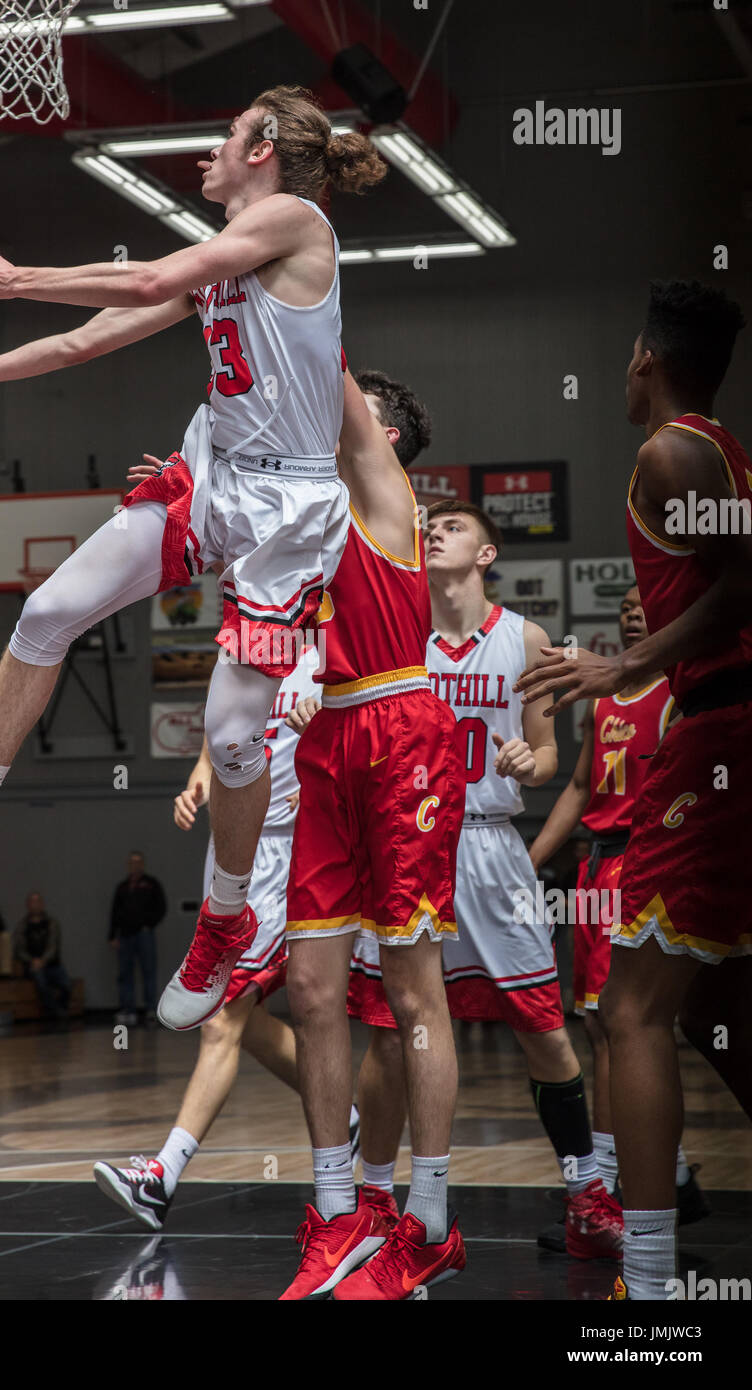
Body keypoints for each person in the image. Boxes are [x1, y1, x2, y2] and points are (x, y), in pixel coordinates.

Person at [0, 86, 386, 1034]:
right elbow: (90, 337)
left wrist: (11, 279)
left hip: (289, 511)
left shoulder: (297, 222)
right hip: (214, 474)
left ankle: (224, 918)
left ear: (262, 148)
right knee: (49, 610)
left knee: (227, 734)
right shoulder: (220, 264)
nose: (206, 153)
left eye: (222, 132)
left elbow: (137, 284)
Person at [516, 279, 752, 1300]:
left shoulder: (675, 450)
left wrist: (628, 664)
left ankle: (649, 1286)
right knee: (719, 1005)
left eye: (625, 354)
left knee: (632, 1009)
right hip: (723, 726)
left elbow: (749, 580)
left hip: (726, 725)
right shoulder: (709, 452)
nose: (620, 369)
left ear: (647, 359)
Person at [338, 498, 622, 1261]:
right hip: (410, 845)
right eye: (430, 527)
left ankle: (587, 1195)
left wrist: (534, 762)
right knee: (393, 1036)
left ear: (487, 555)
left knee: (543, 1030)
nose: (433, 533)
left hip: (492, 849)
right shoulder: (400, 638)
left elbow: (551, 756)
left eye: (452, 528)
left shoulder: (524, 640)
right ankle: (372, 1201)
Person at [94, 645, 403, 1231]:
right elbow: (219, 740)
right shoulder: (244, 652)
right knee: (227, 1012)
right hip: (242, 855)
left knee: (237, 1019)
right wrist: (197, 785)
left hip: (310, 847)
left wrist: (326, 779)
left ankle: (161, 1176)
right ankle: (348, 1117)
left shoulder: (339, 649)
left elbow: (374, 743)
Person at [280, 367, 466, 1302]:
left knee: (410, 990)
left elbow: (321, 357)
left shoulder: (386, 491)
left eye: (358, 418)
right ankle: (337, 1213)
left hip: (400, 735)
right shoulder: (311, 514)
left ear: (386, 437)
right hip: (326, 745)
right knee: (310, 987)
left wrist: (283, 237)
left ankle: (427, 1222)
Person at [529, 584, 708, 1233]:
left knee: (616, 1024)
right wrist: (530, 861)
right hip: (594, 866)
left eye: (644, 597)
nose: (633, 606)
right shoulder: (604, 695)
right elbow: (580, 785)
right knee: (598, 1024)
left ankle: (607, 1186)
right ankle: (671, 1172)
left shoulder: (680, 692)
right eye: (626, 600)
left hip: (643, 862)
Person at [109, 853, 166, 1025]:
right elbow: (114, 912)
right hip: (125, 935)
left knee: (148, 971)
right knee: (125, 973)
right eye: (132, 863)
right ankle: (128, 1009)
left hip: (144, 934)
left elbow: (161, 907)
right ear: (128, 865)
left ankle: (150, 1009)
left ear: (143, 864)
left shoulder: (151, 884)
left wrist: (149, 924)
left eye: (138, 863)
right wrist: (112, 935)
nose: (135, 866)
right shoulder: (123, 887)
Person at [14, 891, 71, 1018]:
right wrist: (32, 961)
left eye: (37, 902)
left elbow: (53, 946)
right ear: (28, 905)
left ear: (42, 904)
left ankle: (61, 1007)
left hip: (51, 964)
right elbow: (19, 950)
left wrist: (43, 960)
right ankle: (54, 1011)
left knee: (66, 983)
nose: (35, 905)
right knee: (40, 981)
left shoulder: (52, 923)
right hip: (32, 965)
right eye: (32, 902)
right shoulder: (22, 926)